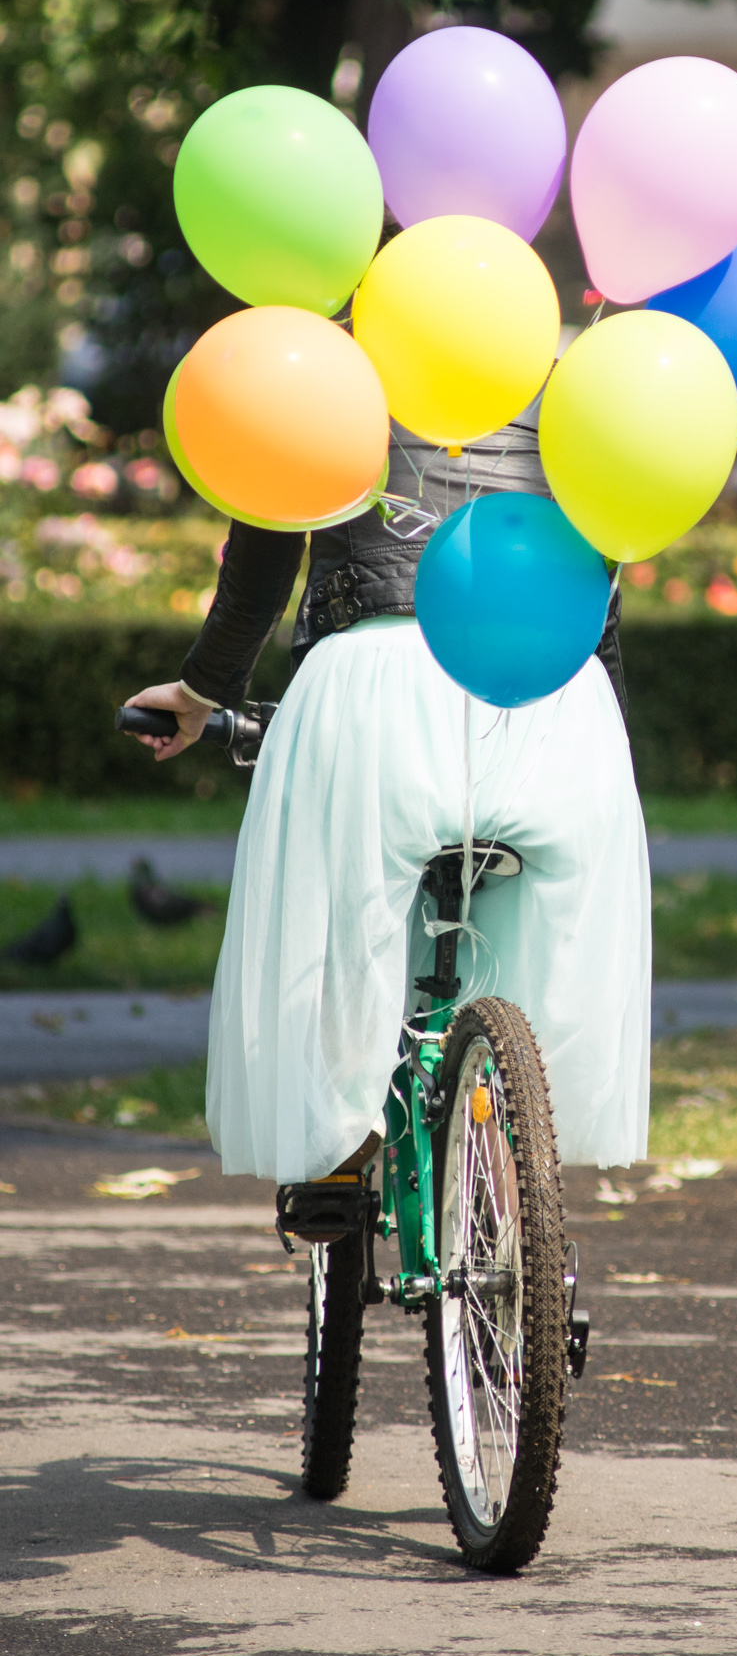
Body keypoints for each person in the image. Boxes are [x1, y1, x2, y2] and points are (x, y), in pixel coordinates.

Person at [126, 411, 651, 1186]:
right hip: (554, 699)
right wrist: (607, 740)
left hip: (375, 682)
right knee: (534, 950)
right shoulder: (569, 379)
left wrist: (205, 689)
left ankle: (333, 1147)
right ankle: (515, 1165)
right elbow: (596, 582)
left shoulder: (320, 377)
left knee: (337, 930)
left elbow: (262, 565)